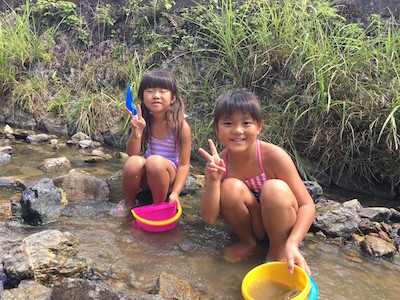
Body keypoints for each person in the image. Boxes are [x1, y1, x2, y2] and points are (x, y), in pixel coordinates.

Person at [198, 89, 315, 274]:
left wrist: (293, 243)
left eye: (246, 123)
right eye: (228, 123)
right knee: (228, 187)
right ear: (216, 128)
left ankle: (277, 253)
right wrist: (213, 181)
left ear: (259, 126)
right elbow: (209, 219)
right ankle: (248, 242)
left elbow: (307, 205)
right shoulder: (218, 164)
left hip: (282, 226)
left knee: (274, 188)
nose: (237, 130)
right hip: (254, 226)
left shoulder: (274, 156)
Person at [114, 69, 191, 215]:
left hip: (167, 176)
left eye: (162, 91)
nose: (156, 96)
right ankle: (129, 204)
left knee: (154, 161)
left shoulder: (180, 126)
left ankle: (158, 206)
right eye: (150, 91)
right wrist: (138, 130)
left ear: (173, 98)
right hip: (147, 176)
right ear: (143, 97)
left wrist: (175, 193)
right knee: (133, 162)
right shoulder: (144, 120)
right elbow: (132, 153)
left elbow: (184, 164)